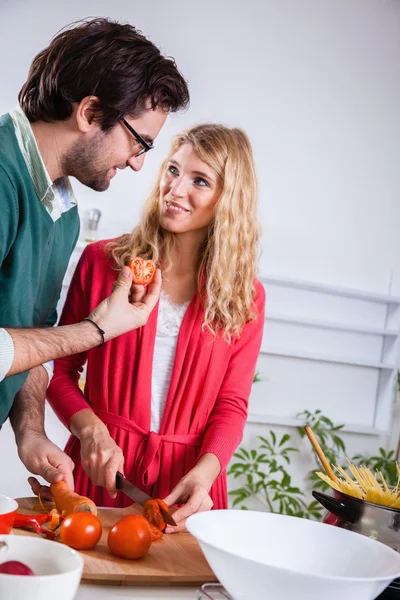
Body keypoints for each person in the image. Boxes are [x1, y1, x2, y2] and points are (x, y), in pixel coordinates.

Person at [45, 124, 265, 531]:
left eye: (199, 180)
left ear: (228, 200)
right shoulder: (103, 262)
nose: (175, 189)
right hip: (102, 474)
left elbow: (231, 406)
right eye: (173, 171)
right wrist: (92, 432)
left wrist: (206, 473)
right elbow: (60, 372)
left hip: (188, 490)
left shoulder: (245, 296)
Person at [0, 17, 189, 490]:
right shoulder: (2, 180)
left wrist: (31, 433)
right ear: (89, 112)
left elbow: (28, 342)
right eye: (138, 141)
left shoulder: (62, 210)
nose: (139, 161)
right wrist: (95, 330)